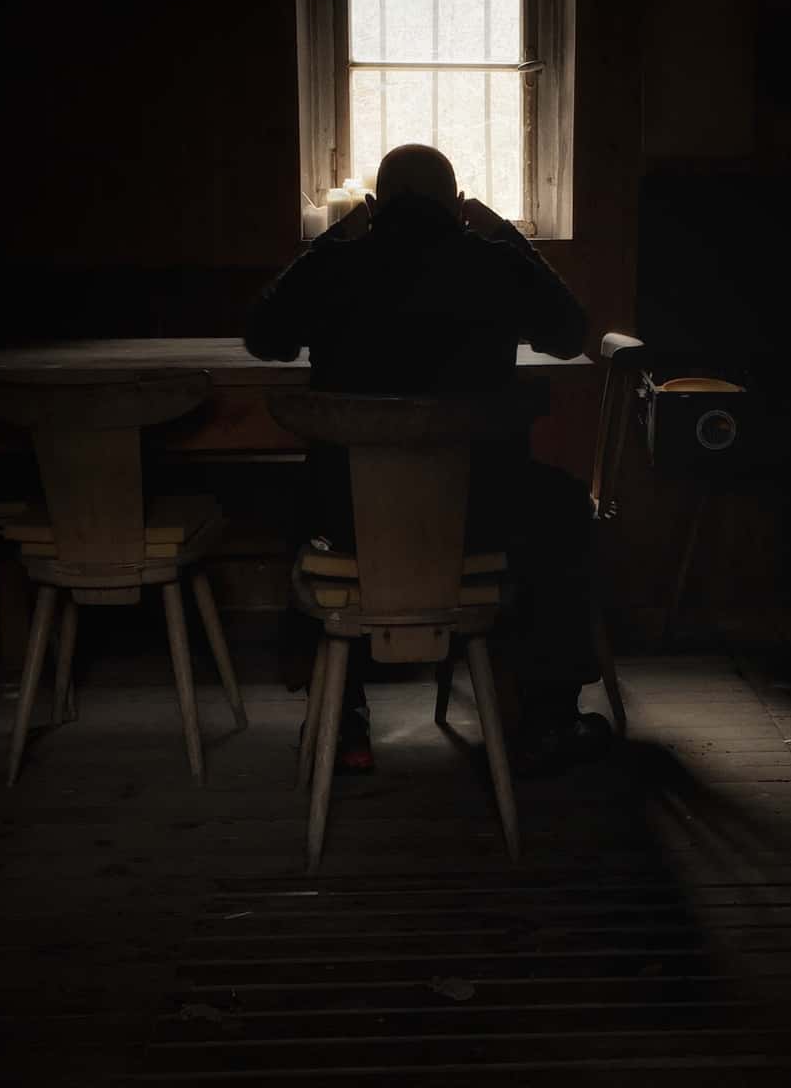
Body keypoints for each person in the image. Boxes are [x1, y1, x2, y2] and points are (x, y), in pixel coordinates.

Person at [246, 144, 611, 778]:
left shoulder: (338, 266)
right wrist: (509, 237)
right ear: (458, 204)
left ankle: (342, 716)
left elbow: (263, 337)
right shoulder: (493, 263)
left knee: (306, 493)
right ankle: (549, 716)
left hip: (351, 522)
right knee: (561, 506)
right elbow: (569, 334)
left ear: (373, 206)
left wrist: (329, 239)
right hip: (482, 520)